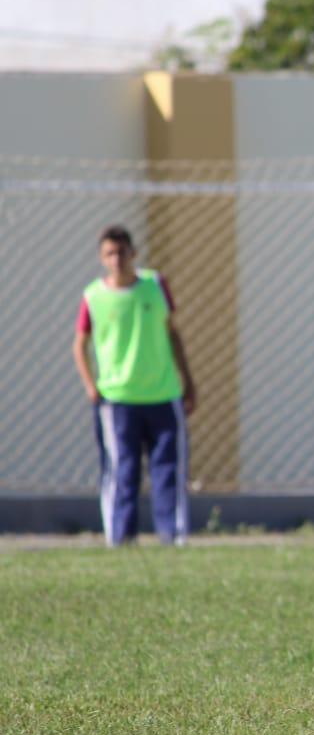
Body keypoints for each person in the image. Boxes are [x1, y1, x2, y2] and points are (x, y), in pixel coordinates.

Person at [72, 225, 197, 546]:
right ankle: (120, 538)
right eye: (109, 254)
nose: (117, 259)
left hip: (163, 394)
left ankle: (173, 535)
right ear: (101, 258)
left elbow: (173, 333)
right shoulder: (94, 296)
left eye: (122, 252)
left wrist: (188, 381)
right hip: (117, 399)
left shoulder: (155, 285)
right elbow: (79, 345)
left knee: (168, 469)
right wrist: (91, 385)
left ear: (134, 254)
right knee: (122, 471)